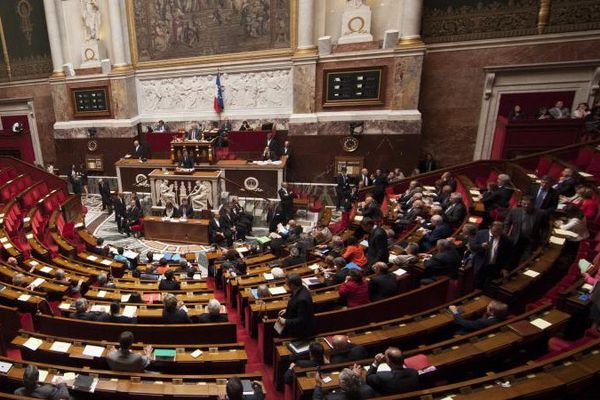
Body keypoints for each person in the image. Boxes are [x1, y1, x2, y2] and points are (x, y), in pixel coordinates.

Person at [504, 195, 549, 264]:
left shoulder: (541, 213)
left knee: (525, 260)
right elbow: (507, 223)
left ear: (533, 204)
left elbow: (545, 228)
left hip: (531, 240)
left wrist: (543, 241)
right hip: (517, 238)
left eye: (528, 204)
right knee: (512, 257)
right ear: (521, 203)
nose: (526, 206)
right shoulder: (515, 211)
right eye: (524, 204)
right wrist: (505, 235)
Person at [470, 221, 513, 289]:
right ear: (490, 227)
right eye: (496, 230)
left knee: (488, 287)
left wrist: (505, 268)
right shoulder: (480, 233)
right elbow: (472, 246)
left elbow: (508, 255)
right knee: (476, 285)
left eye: (500, 230)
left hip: (494, 267)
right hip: (481, 265)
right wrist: (481, 246)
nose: (498, 232)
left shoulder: (506, 239)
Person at [277, 273, 315, 338]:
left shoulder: (302, 300)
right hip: (293, 324)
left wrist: (285, 321)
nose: (286, 286)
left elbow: (302, 320)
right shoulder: (301, 288)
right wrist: (288, 310)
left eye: (287, 284)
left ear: (292, 285)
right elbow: (296, 306)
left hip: (300, 332)